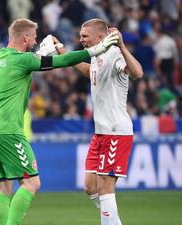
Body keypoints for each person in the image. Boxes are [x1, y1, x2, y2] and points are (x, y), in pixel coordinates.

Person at [0, 18, 119, 225]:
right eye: (34, 38)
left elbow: (24, 66)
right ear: (25, 37)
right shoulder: (22, 60)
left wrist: (41, 53)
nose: (35, 42)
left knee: (3, 186)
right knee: (31, 183)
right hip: (7, 130)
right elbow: (60, 62)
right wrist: (97, 49)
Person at [57, 19, 143, 225]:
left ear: (101, 37)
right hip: (101, 132)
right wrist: (61, 51)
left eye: (85, 36)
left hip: (116, 130)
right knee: (90, 187)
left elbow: (138, 73)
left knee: (105, 187)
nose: (81, 40)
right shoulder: (96, 56)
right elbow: (89, 71)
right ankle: (113, 220)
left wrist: (121, 46)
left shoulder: (113, 54)